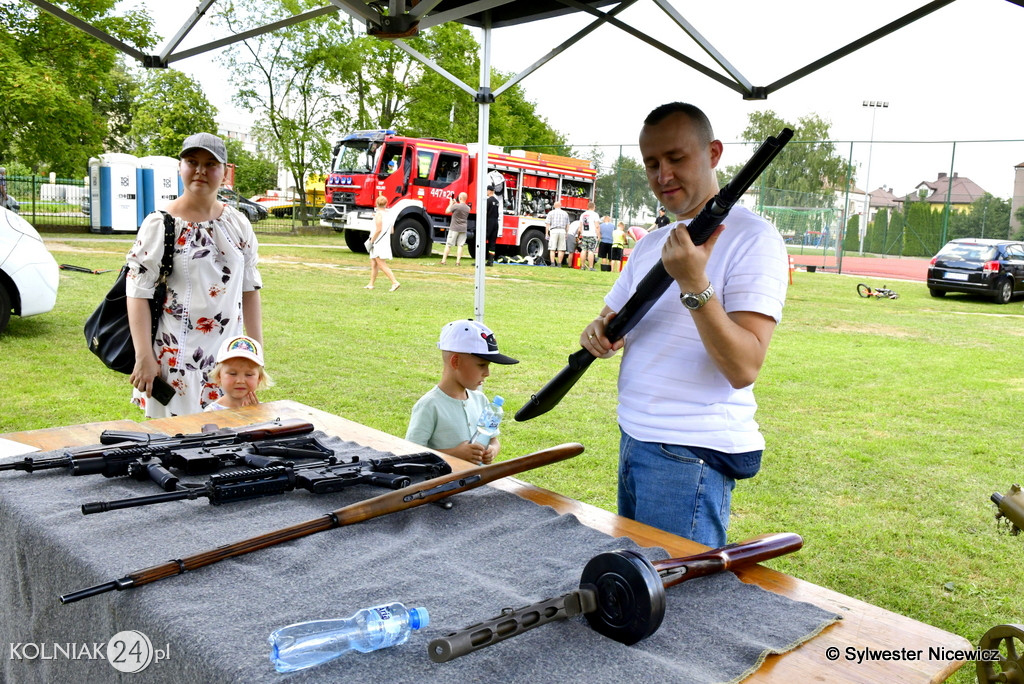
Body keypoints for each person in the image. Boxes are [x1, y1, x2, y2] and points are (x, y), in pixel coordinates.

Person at [580, 102, 788, 548]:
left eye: (676, 158)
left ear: (713, 153)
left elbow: (744, 366)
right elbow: (612, 317)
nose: (662, 175)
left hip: (689, 451)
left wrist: (694, 281)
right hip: (635, 436)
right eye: (652, 163)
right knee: (640, 586)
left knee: (681, 605)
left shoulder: (755, 239)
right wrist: (597, 331)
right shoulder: (653, 242)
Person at [126, 132, 263, 418]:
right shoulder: (160, 224)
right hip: (174, 361)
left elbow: (250, 289)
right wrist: (144, 357)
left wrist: (255, 356)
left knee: (226, 443)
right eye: (192, 161)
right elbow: (137, 292)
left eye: (211, 164)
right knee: (174, 447)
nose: (200, 170)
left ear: (225, 172)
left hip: (228, 362)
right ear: (181, 167)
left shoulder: (237, 223)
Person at [406, 319, 519, 465]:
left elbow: (493, 440)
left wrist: (492, 450)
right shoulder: (430, 405)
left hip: (477, 483)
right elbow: (409, 453)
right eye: (481, 365)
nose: (487, 373)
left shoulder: (481, 400)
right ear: (456, 362)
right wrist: (455, 454)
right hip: (443, 485)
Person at [204, 335, 274, 411]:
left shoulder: (263, 411)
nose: (240, 381)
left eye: (249, 375)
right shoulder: (212, 412)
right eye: (232, 374)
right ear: (219, 376)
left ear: (259, 378)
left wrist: (256, 415)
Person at [365, 195, 400, 291]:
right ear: (386, 203)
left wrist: (372, 240)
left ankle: (394, 282)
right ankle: (371, 284)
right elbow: (391, 231)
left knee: (381, 263)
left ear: (376, 203)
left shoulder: (378, 215)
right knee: (374, 263)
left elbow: (378, 229)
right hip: (384, 240)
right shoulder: (389, 214)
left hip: (377, 241)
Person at [442, 192, 471, 265]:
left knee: (448, 244)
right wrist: (455, 203)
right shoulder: (468, 208)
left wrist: (451, 203)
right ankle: (458, 262)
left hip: (454, 228)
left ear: (460, 198)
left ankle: (444, 261)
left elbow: (447, 211)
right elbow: (461, 208)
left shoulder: (456, 206)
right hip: (463, 228)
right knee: (460, 245)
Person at [545, 200, 570, 267]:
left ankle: (552, 263)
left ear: (554, 206)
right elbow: (567, 225)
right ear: (560, 206)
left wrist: (547, 233)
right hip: (562, 231)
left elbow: (548, 224)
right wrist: (566, 233)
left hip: (554, 231)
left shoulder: (551, 213)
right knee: (561, 249)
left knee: (552, 249)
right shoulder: (565, 213)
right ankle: (559, 264)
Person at [578, 201, 601, 271]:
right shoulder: (595, 215)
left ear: (587, 207)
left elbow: (580, 226)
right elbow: (597, 226)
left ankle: (582, 266)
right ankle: (591, 267)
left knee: (583, 250)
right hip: (592, 234)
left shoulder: (583, 214)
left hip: (584, 234)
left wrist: (580, 234)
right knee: (591, 251)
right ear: (594, 207)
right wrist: (598, 235)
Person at [484, 185, 500, 266]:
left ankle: (480, 260)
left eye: (487, 190)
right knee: (492, 243)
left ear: (490, 191)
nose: (486, 192)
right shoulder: (497, 201)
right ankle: (491, 261)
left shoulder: (488, 201)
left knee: (482, 241)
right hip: (496, 223)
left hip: (489, 222)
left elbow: (485, 212)